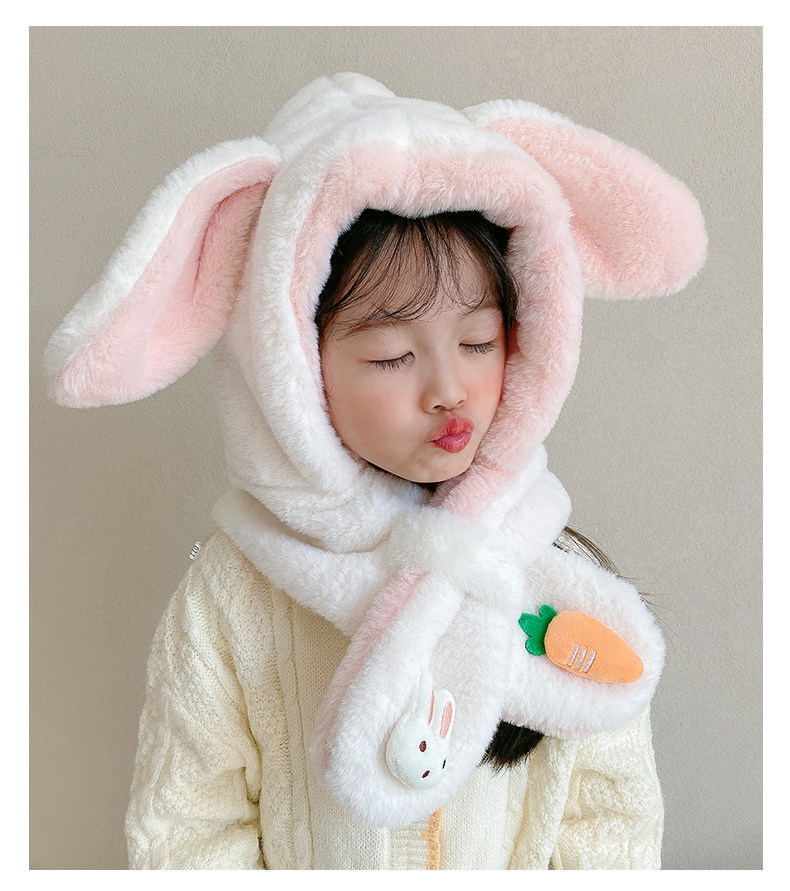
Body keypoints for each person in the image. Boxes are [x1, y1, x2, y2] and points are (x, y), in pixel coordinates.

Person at [45, 73, 707, 869]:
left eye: (478, 341)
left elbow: (610, 823)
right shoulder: (236, 595)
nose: (449, 388)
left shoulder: (555, 577)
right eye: (393, 354)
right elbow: (187, 827)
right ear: (291, 365)